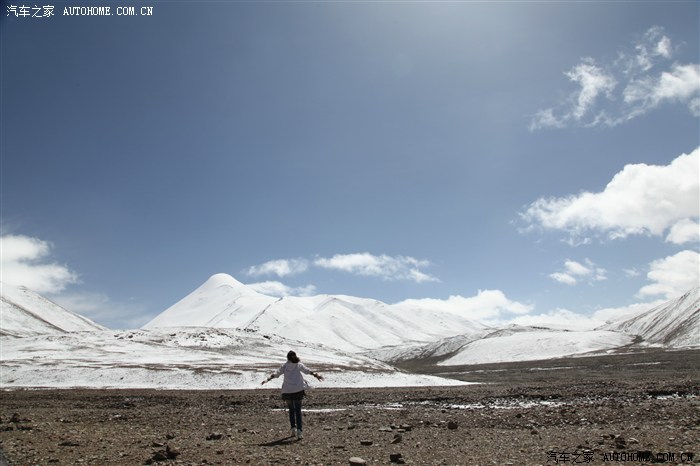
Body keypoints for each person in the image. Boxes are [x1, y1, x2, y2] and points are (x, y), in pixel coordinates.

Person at [261, 350, 323, 440]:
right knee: (298, 411)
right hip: (298, 390)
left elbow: (276, 374)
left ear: (287, 358)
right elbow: (307, 371)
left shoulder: (285, 366)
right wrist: (316, 375)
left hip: (287, 391)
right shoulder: (298, 365)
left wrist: (267, 380)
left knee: (291, 410)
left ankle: (293, 428)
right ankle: (299, 431)